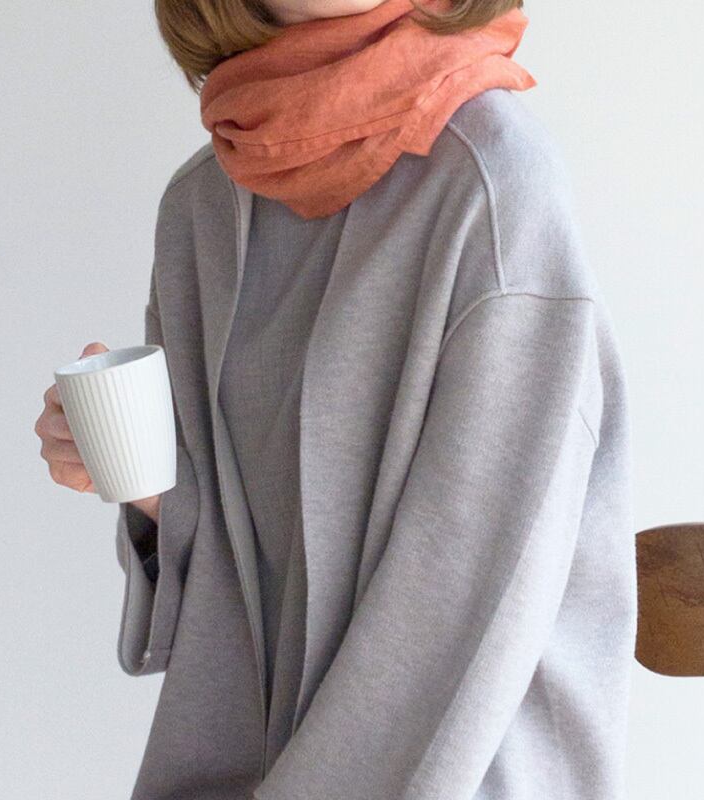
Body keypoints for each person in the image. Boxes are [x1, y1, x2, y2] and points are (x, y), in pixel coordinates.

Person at [35, 1, 638, 798]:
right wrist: (149, 493)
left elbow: (474, 601)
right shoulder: (203, 206)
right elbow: (247, 566)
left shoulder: (493, 182)